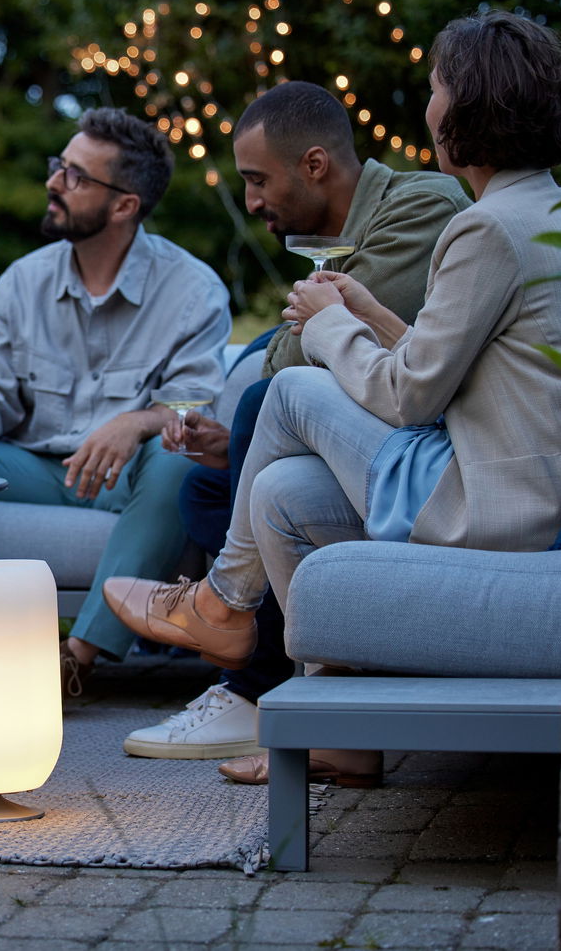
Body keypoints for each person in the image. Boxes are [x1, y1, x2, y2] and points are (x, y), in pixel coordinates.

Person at [104, 9, 561, 785]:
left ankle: (221, 604)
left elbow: (409, 394)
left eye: (439, 87)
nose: (429, 105)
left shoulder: (486, 229)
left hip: (497, 505)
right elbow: (465, 363)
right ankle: (337, 729)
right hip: (531, 486)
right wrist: (370, 314)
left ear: (470, 109)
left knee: (292, 390)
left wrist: (328, 327)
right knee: (278, 490)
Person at [121, 81, 470, 761]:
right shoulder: (325, 238)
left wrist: (303, 334)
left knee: (261, 401)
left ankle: (249, 680)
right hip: (371, 418)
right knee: (207, 486)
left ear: (315, 165)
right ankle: (314, 696)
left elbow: (299, 357)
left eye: (256, 180)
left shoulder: (422, 205)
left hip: (429, 438)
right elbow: (294, 342)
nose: (251, 201)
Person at [0, 107, 231, 686]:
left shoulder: (192, 290)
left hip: (128, 479)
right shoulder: (24, 280)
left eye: (75, 176)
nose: (53, 183)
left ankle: (77, 656)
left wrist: (135, 423)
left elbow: (191, 406)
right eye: (58, 167)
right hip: (34, 467)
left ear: (124, 205)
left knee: (177, 460)